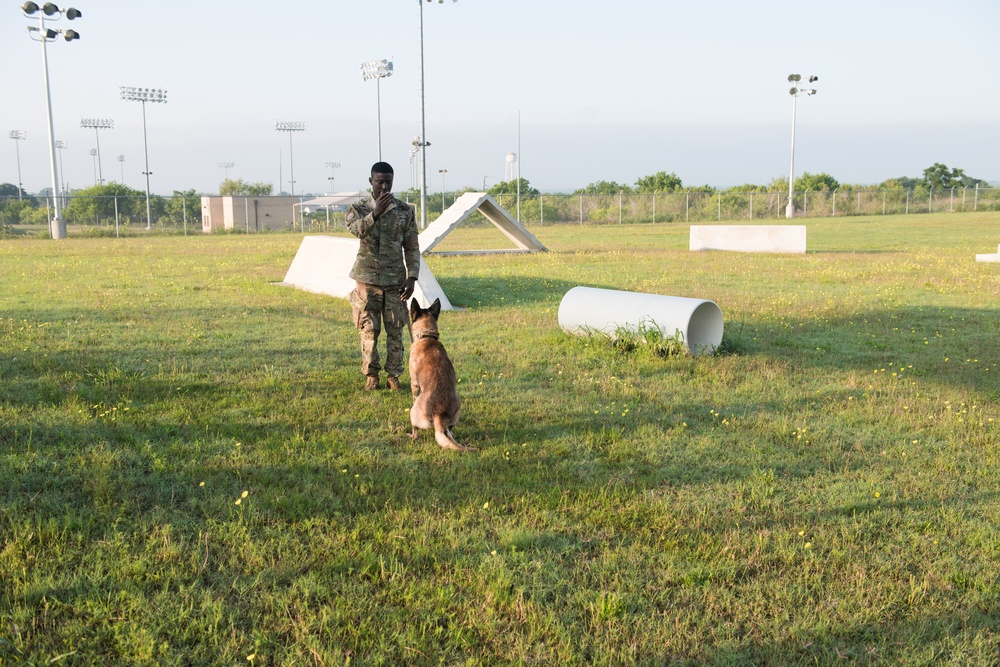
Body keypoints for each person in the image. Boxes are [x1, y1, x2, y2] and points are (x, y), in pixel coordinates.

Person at [346, 162, 420, 391]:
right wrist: (375, 214)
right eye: (380, 182)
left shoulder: (404, 210)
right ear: (371, 182)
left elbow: (412, 246)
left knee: (395, 329)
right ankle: (371, 375)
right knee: (369, 330)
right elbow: (355, 229)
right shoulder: (358, 208)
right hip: (367, 281)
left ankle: (394, 376)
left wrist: (412, 277)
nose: (385, 186)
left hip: (395, 281)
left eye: (389, 181)